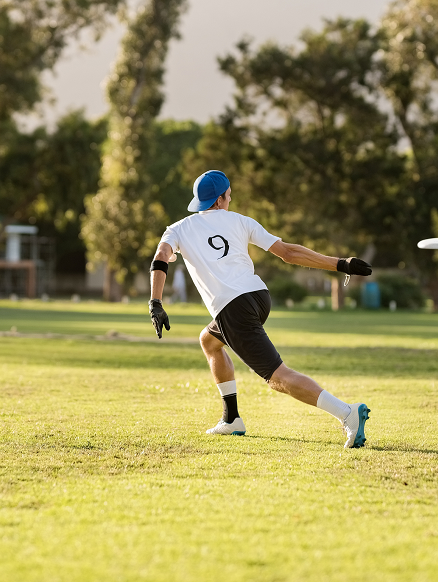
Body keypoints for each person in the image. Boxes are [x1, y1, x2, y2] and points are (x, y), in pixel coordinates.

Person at [147, 170, 374, 448]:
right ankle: (232, 419)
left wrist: (155, 302)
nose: (230, 201)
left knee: (277, 377)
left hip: (233, 308)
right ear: (219, 200)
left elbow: (161, 258)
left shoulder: (178, 228)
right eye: (229, 196)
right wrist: (341, 263)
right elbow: (289, 253)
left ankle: (347, 413)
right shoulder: (242, 221)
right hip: (258, 297)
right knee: (209, 342)